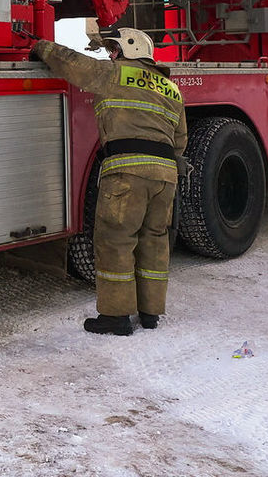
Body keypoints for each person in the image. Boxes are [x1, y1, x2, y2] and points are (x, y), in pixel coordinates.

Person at [33, 28, 187, 335]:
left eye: (115, 49)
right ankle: (150, 313)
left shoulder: (113, 73)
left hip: (126, 172)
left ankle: (116, 317)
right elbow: (180, 140)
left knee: (116, 240)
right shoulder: (171, 88)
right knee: (154, 241)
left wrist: (42, 47)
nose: (112, 55)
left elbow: (72, 63)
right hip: (165, 176)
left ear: (129, 49)